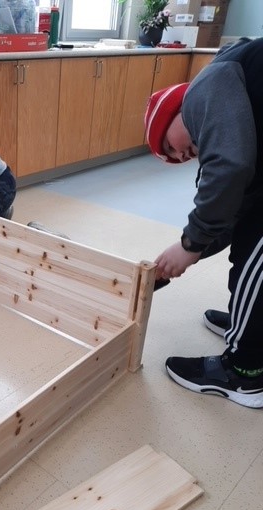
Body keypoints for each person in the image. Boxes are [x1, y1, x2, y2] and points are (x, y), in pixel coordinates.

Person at [144, 37, 263, 409]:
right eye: (173, 157)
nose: (180, 155)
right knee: (247, 251)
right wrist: (190, 248)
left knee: (258, 265)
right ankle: (247, 324)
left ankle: (244, 372)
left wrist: (190, 245)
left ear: (173, 112)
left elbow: (229, 168)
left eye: (170, 145)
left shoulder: (204, 88)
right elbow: (232, 213)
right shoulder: (237, 102)